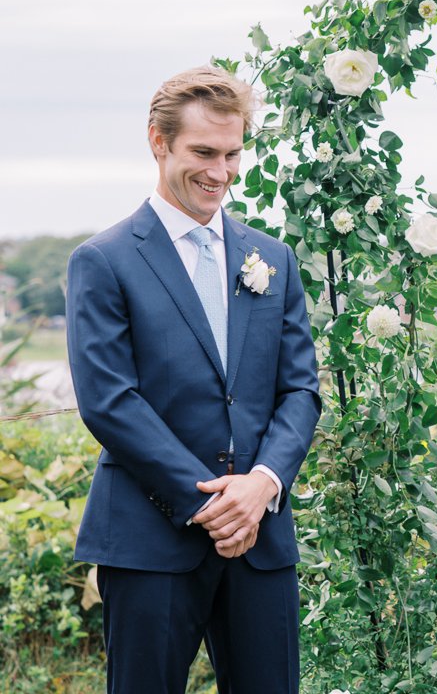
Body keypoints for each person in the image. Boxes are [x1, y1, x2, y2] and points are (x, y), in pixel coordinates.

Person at [67, 66, 321, 694]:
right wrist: (214, 504)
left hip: (260, 535)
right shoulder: (104, 260)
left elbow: (301, 389)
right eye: (203, 152)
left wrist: (262, 485)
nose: (221, 172)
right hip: (149, 537)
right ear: (158, 141)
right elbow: (108, 400)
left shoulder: (273, 258)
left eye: (233, 153)